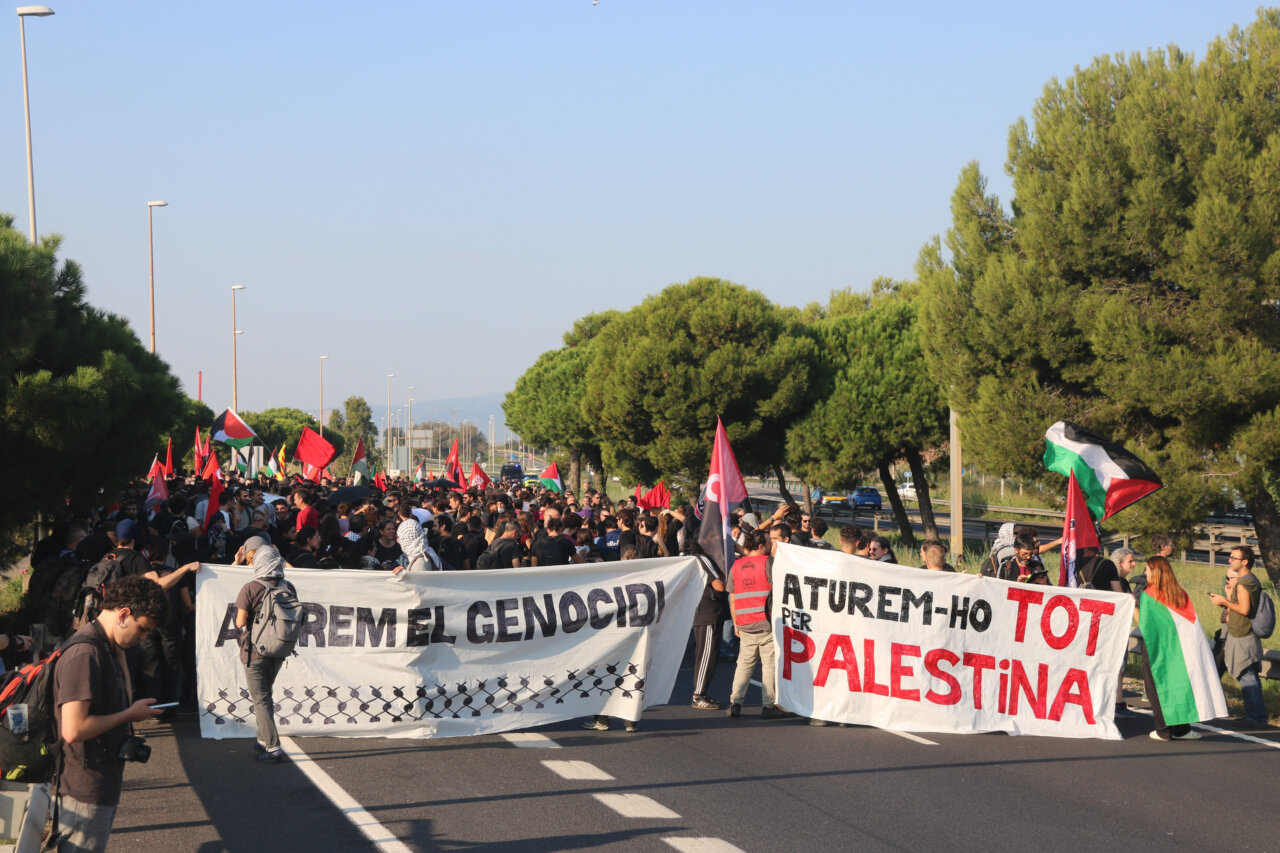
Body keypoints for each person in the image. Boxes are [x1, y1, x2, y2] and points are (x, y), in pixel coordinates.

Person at [52, 575, 170, 850]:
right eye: (142, 629)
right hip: (83, 789)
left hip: (98, 780)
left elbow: (124, 699)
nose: (142, 638)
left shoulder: (106, 646)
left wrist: (120, 652)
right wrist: (129, 715)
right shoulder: (85, 654)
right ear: (124, 614)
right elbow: (73, 729)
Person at [1137, 556, 1226, 741]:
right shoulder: (1179, 592)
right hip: (1180, 648)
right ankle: (1182, 729)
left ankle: (1163, 731)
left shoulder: (1148, 594)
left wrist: (1131, 606)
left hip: (1156, 647)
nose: (1145, 573)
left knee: (1157, 687)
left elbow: (1145, 626)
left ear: (1156, 572)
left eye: (1147, 569)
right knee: (1180, 684)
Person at [234, 546, 295, 763]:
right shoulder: (288, 586)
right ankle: (262, 740)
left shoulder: (250, 588)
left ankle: (272, 747)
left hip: (255, 650)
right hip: (280, 649)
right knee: (265, 695)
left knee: (260, 699)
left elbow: (240, 622)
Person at [726, 530, 789, 719]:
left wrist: (736, 623)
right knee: (769, 664)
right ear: (761, 546)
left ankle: (735, 703)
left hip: (744, 622)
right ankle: (769, 705)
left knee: (744, 663)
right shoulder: (768, 562)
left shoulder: (736, 566)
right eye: (769, 543)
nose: (771, 546)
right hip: (765, 621)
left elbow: (733, 597)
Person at [1208, 546, 1267, 726]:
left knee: (1246, 675)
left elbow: (1244, 610)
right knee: (1246, 675)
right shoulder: (1248, 581)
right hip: (1242, 634)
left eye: (1234, 557)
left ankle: (1256, 717)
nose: (1229, 560)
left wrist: (1224, 601)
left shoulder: (1244, 583)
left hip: (1242, 636)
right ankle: (1254, 715)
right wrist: (1227, 600)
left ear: (1245, 561)